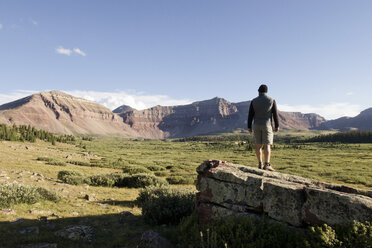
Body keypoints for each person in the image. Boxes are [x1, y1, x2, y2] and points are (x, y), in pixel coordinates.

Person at [247, 84, 279, 171]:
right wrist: (277, 126)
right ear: (266, 91)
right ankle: (267, 164)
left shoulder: (254, 101)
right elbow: (275, 114)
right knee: (267, 145)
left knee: (258, 145)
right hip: (267, 125)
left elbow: (250, 115)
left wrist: (249, 127)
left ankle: (260, 163)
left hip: (256, 125)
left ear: (258, 91)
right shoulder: (271, 100)